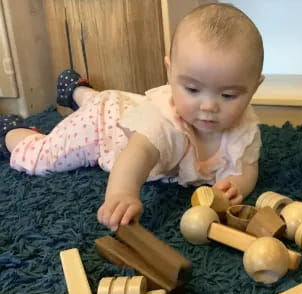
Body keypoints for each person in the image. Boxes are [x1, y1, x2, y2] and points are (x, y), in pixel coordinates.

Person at [0, 3, 264, 231]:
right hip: (102, 129)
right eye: (192, 89)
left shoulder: (244, 128)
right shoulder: (161, 121)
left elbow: (248, 167)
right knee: (46, 157)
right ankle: (11, 133)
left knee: (110, 101)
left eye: (228, 95)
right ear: (170, 73)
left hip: (125, 105)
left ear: (254, 87)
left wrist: (238, 185)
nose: (208, 106)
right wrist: (123, 193)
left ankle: (78, 91)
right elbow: (137, 155)